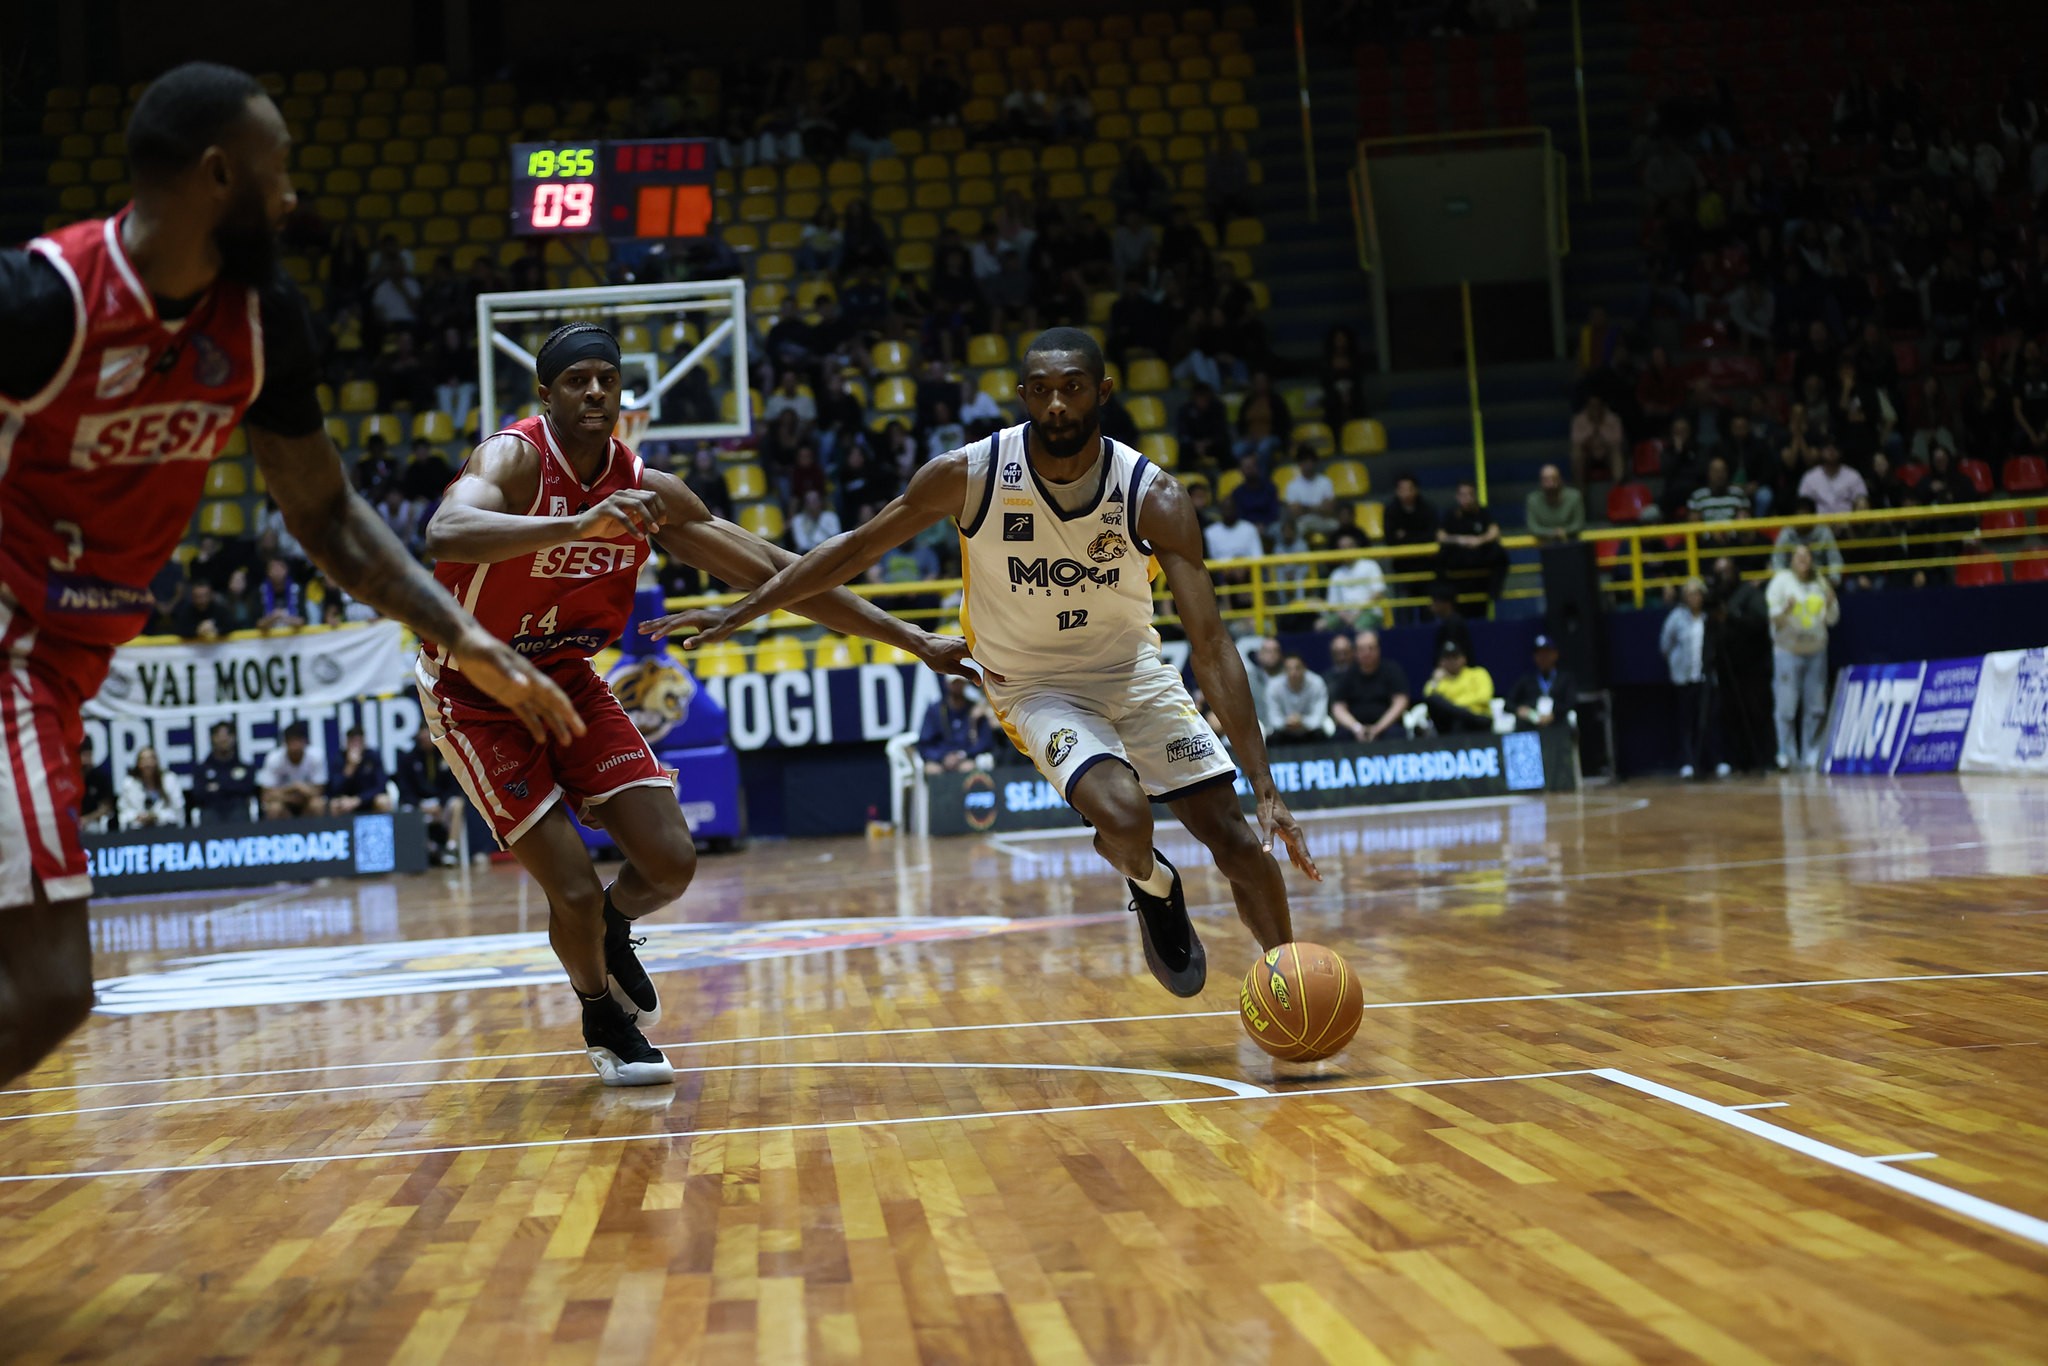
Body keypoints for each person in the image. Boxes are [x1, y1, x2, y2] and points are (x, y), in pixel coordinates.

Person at [0, 63, 581, 1087]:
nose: (292, 198)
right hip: (12, 646)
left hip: (69, 663)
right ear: (218, 176)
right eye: (278, 173)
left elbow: (325, 515)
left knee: (42, 984)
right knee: (49, 986)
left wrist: (467, 637)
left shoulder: (262, 321)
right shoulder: (44, 301)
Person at [652, 328, 1320, 999]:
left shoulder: (1152, 494)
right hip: (1033, 685)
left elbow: (1210, 646)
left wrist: (1264, 783)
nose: (1056, 404)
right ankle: (1151, 884)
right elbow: (854, 549)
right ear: (1023, 395)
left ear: (1103, 392)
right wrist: (743, 610)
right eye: (1041, 390)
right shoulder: (970, 475)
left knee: (1236, 843)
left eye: (1072, 388)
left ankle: (1294, 990)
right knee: (1123, 817)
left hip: (1133, 672)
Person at [420, 323, 977, 1085]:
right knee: (571, 888)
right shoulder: (513, 458)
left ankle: (615, 928)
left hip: (568, 678)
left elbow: (783, 572)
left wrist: (915, 638)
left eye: (606, 380)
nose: (594, 392)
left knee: (672, 863)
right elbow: (445, 530)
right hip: (476, 692)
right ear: (544, 394)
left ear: (623, 393)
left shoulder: (648, 493)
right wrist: (576, 524)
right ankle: (600, 1013)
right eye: (577, 380)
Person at [1766, 544, 1839, 770]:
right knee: (1786, 706)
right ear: (1791, 560)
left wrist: (1829, 605)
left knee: (1816, 706)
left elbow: (1833, 619)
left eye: (1806, 556)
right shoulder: (1781, 582)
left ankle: (1812, 753)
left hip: (1815, 651)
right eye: (1798, 556)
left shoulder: (1820, 583)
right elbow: (1772, 617)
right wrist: (1785, 610)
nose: (1803, 560)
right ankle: (1786, 754)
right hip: (1787, 652)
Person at [1661, 579, 1727, 778]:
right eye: (1690, 594)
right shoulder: (1676, 618)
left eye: (1698, 593)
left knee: (1711, 720)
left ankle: (1716, 760)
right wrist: (1677, 665)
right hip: (1685, 678)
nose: (1694, 598)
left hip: (1706, 677)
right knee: (1687, 722)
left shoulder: (1709, 618)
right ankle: (1689, 762)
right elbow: (1665, 645)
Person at [394, 720, 466, 866]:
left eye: (428, 734)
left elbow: (454, 787)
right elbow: (404, 790)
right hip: (419, 806)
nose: (426, 738)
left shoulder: (446, 755)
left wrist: (440, 804)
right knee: (405, 812)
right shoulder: (408, 759)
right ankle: (431, 849)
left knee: (457, 804)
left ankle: (451, 848)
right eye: (423, 735)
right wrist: (420, 805)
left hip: (440, 805)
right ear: (418, 736)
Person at [1329, 629, 1409, 744]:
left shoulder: (1392, 670)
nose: (1367, 653)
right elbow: (1338, 707)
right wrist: (1357, 728)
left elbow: (1400, 702)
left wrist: (1378, 728)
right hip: (1355, 728)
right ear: (1355, 652)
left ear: (1379, 650)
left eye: (1371, 648)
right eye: (1362, 649)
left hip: (1386, 726)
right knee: (1339, 737)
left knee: (1396, 735)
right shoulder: (1348, 674)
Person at [1436, 479, 1507, 602]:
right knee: (1439, 555)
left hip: (1478, 555)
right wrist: (1460, 539)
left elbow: (1494, 531)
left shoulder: (1483, 513)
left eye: (1470, 494)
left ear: (1475, 496)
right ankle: (1444, 596)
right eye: (1463, 495)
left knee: (1500, 553)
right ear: (1457, 496)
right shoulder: (1450, 515)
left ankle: (1494, 591)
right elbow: (1440, 536)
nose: (1467, 498)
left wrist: (1479, 540)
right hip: (1458, 558)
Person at [917, 676, 994, 774]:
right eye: (954, 683)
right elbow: (924, 744)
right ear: (947, 684)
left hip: (966, 757)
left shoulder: (975, 710)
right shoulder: (935, 710)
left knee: (968, 768)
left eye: (960, 683)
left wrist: (963, 755)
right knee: (932, 770)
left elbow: (985, 742)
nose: (957, 686)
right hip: (940, 760)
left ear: (965, 684)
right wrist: (942, 757)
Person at [1506, 633, 1576, 735]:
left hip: (1557, 722)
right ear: (1534, 657)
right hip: (1531, 723)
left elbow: (1570, 703)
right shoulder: (1526, 680)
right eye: (1539, 654)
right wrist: (1520, 710)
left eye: (1546, 653)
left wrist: (1554, 715)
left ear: (1555, 654)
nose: (1543, 657)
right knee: (1521, 724)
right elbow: (1508, 703)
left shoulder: (1565, 679)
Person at [1317, 528, 1386, 631]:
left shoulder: (1370, 565)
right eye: (1342, 548)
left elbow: (1378, 593)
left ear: (1356, 547)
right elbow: (1333, 604)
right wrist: (1346, 616)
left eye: (1349, 546)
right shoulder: (1336, 574)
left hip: (1369, 613)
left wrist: (1358, 612)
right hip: (1344, 615)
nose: (1346, 550)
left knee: (1358, 627)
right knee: (1320, 625)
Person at [191, 721, 258, 824]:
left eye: (227, 735)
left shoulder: (245, 768)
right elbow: (198, 795)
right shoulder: (201, 769)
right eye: (219, 736)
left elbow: (248, 789)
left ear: (234, 738)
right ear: (212, 739)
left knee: (239, 813)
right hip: (211, 810)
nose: (223, 739)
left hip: (238, 810)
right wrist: (233, 785)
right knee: (209, 815)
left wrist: (217, 786)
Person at [1421, 639, 1494, 734]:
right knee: (1436, 701)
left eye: (1455, 657)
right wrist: (1435, 681)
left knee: (1458, 719)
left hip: (1477, 719)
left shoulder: (1478, 673)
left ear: (1464, 659)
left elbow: (1484, 697)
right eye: (1447, 658)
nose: (1451, 661)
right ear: (1441, 662)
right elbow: (1429, 700)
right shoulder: (1439, 680)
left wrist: (1453, 706)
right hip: (1449, 725)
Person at [257, 722, 327, 819]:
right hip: (284, 801)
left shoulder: (316, 756)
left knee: (317, 804)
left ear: (305, 741)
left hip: (306, 801)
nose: (295, 746)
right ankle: (278, 833)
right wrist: (292, 790)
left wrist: (301, 789)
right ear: (285, 743)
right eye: (291, 741)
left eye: (297, 741)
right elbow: (266, 795)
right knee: (274, 808)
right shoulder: (274, 759)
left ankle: (317, 832)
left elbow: (319, 791)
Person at [1264, 654, 1332, 746]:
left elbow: (1319, 715)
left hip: (1309, 731)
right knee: (1272, 739)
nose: (1293, 673)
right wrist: (1287, 722)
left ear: (1304, 668)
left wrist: (1302, 721)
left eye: (1297, 668)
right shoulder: (1273, 686)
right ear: (1284, 671)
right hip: (1284, 731)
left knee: (1321, 735)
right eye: (1289, 669)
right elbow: (1273, 717)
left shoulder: (1317, 683)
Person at [325, 725, 392, 816]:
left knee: (383, 801)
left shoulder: (373, 757)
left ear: (364, 742)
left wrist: (358, 800)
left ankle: (382, 829)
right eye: (353, 742)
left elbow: (381, 786)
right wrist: (350, 768)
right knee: (334, 805)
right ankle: (340, 829)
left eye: (359, 742)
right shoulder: (339, 759)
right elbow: (333, 790)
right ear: (347, 743)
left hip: (367, 800)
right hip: (345, 801)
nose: (356, 745)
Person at [116, 746, 186, 829]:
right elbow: (123, 812)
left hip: (166, 830)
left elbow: (178, 809)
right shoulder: (129, 784)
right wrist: (136, 817)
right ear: (138, 763)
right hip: (137, 832)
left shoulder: (169, 780)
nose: (147, 764)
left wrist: (157, 817)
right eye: (143, 760)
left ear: (156, 761)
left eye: (150, 759)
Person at [1282, 448, 1342, 538]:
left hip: (1323, 520)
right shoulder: (1292, 485)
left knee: (1336, 525)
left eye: (1310, 461)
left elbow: (1329, 509)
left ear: (1315, 462)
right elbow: (1295, 512)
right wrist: (1318, 507)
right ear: (1299, 464)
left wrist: (1305, 508)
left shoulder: (1325, 482)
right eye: (1304, 461)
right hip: (1302, 522)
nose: (1308, 465)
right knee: (1296, 528)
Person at [1797, 442, 1868, 516]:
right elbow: (1802, 505)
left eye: (1834, 447)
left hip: (1847, 523)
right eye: (1827, 447)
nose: (1831, 450)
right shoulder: (1809, 477)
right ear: (1821, 451)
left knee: (1862, 503)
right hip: (1818, 525)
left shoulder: (1853, 475)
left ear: (1840, 452)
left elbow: (1862, 499)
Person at [1570, 394, 1625, 485]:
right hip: (1588, 455)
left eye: (1597, 405)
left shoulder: (1614, 419)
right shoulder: (1578, 420)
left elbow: (1616, 441)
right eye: (1591, 405)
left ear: (1603, 406)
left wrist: (1600, 430)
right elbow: (1577, 442)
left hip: (1607, 454)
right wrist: (1593, 430)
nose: (1594, 408)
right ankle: (1580, 490)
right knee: (1577, 453)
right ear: (1587, 407)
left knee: (1616, 451)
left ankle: (1618, 487)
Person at [1523, 464, 1585, 542]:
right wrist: (1552, 533)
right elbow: (1533, 527)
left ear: (1560, 479)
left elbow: (1578, 524)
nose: (1550, 483)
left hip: (1572, 543)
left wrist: (1564, 531)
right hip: (1546, 546)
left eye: (1553, 478)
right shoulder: (1532, 500)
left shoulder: (1574, 496)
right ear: (1541, 481)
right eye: (1546, 479)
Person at [78, 737, 116, 834]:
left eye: (89, 755)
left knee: (93, 828)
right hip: (70, 821)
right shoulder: (67, 778)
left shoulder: (99, 777)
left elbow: (106, 807)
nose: (86, 760)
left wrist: (87, 819)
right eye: (83, 755)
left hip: (92, 822)